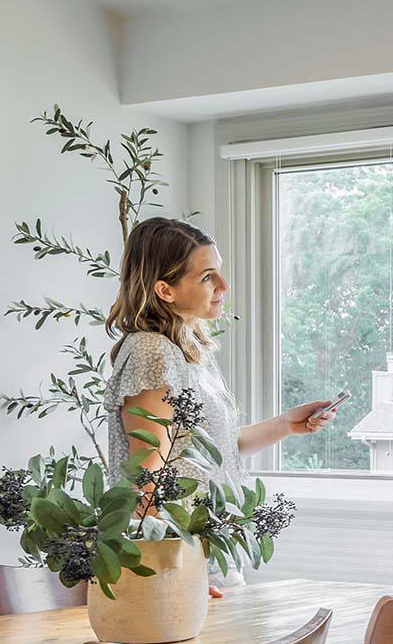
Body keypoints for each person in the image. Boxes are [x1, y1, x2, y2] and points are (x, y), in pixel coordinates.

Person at [102, 216, 335, 595]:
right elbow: (147, 478)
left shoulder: (190, 348)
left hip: (210, 554)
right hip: (181, 562)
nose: (223, 286)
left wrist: (287, 425)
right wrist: (177, 575)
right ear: (165, 290)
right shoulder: (151, 352)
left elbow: (211, 450)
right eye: (207, 276)